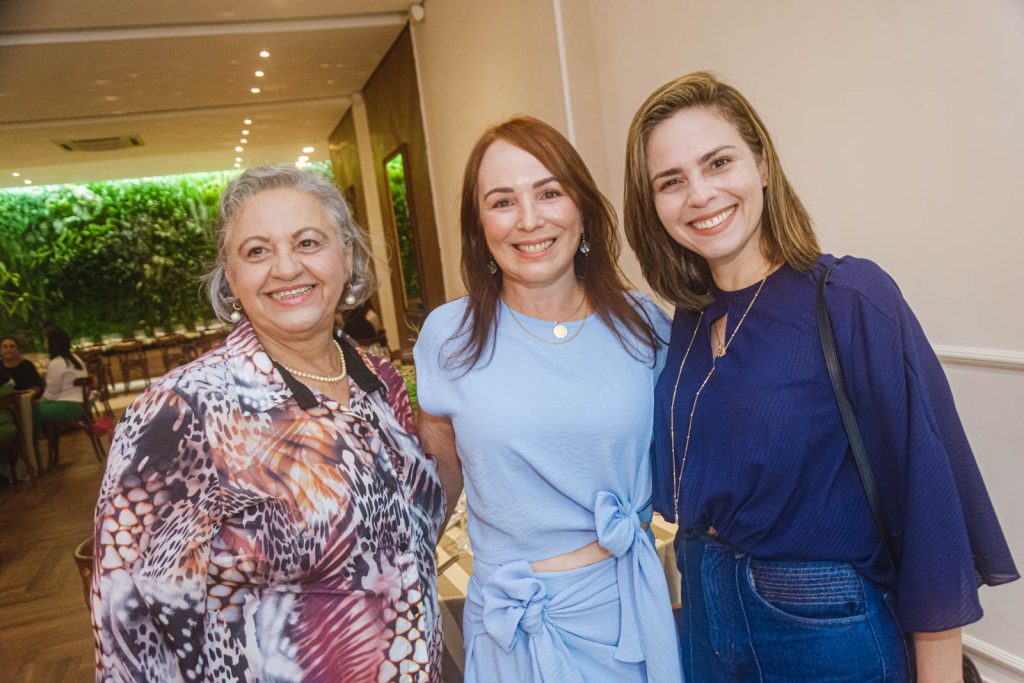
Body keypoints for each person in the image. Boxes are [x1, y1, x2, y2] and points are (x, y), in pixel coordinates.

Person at [623, 72, 1019, 682]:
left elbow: (929, 509)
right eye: (670, 181)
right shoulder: (689, 319)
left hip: (824, 634)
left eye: (718, 162)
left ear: (761, 163)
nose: (699, 194)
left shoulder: (850, 297)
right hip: (706, 620)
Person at [91, 165, 445, 682]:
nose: (285, 267)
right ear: (231, 279)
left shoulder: (380, 380)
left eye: (307, 242)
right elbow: (125, 619)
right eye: (257, 251)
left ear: (346, 256)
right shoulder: (183, 408)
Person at [415, 116, 681, 683]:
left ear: (581, 207)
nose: (529, 220)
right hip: (516, 624)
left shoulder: (644, 326)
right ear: (479, 224)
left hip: (627, 615)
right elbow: (438, 485)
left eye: (549, 193)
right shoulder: (449, 336)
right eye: (503, 201)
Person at [33, 327, 87, 466]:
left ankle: (34, 457)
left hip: (70, 405)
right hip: (83, 402)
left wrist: (39, 401)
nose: (44, 343)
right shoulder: (75, 358)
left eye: (45, 340)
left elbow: (51, 394)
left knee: (29, 413)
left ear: (52, 342)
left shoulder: (57, 362)